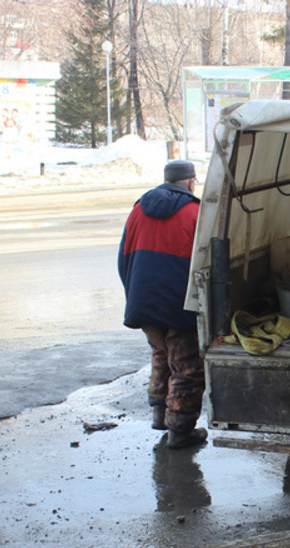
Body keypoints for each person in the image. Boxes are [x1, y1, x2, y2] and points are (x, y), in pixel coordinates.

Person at [118, 159, 206, 449]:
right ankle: (180, 430)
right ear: (191, 182)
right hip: (178, 303)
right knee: (186, 367)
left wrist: (136, 295)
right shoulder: (195, 212)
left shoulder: (137, 210)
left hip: (143, 300)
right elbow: (206, 262)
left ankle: (159, 412)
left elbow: (124, 259)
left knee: (160, 352)